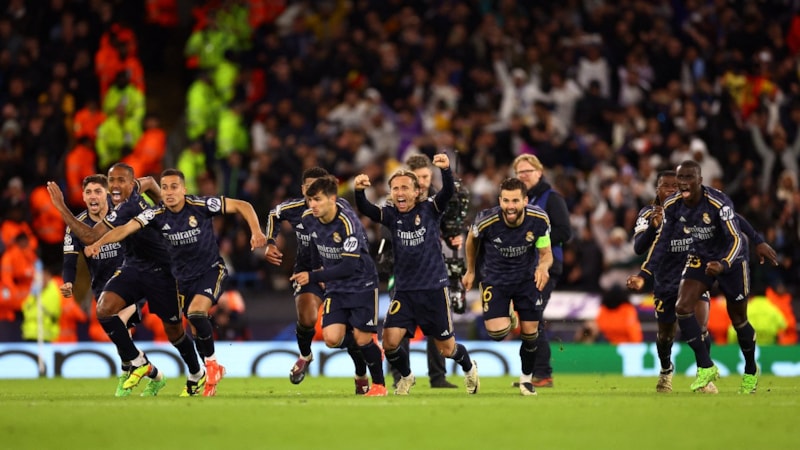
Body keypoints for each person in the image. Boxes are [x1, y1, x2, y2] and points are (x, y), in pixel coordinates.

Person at [85, 168, 267, 397]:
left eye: (174, 187)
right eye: (166, 187)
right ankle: (197, 374)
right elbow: (124, 229)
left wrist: (256, 232)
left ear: (184, 189)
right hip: (181, 279)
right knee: (191, 326)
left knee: (196, 314)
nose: (169, 192)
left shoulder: (200, 205)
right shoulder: (156, 214)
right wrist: (99, 243)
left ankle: (212, 366)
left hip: (210, 271)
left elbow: (243, 205)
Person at [47, 163, 200, 397]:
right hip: (131, 269)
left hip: (162, 271)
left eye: (99, 190)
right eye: (111, 182)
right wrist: (165, 204)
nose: (115, 186)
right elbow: (148, 180)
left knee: (174, 331)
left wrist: (61, 207)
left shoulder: (122, 210)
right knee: (106, 311)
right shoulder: (127, 193)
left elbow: (89, 235)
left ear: (127, 184)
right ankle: (142, 366)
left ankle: (195, 373)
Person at [628, 160, 776, 393]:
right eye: (669, 184)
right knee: (670, 327)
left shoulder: (716, 202)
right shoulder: (662, 211)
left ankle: (742, 370)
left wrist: (755, 241)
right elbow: (652, 244)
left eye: (678, 183)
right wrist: (644, 274)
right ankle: (679, 369)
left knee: (732, 321)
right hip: (677, 273)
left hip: (728, 260)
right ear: (657, 189)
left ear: (699, 181)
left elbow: (736, 227)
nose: (673, 188)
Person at [354, 153, 480, 395]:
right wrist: (360, 191)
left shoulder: (430, 208)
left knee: (447, 349)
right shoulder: (391, 215)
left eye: (404, 188)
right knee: (389, 343)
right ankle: (407, 376)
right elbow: (368, 209)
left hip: (433, 289)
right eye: (395, 188)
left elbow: (446, 193)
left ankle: (468, 366)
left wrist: (445, 170)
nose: (399, 193)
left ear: (416, 191)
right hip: (405, 291)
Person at [264, 167, 368, 391]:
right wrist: (270, 242)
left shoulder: (341, 212)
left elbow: (355, 246)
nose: (313, 195)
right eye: (309, 189)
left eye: (318, 189)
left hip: (339, 274)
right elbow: (274, 214)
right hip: (306, 272)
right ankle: (305, 355)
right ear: (303, 189)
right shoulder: (295, 209)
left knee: (346, 333)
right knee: (307, 317)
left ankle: (361, 373)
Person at [289, 175, 388, 397]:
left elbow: (349, 268)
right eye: (310, 200)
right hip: (336, 287)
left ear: (332, 199)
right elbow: (315, 244)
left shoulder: (348, 224)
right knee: (332, 339)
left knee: (362, 339)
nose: (312, 205)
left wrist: (313, 276)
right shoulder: (308, 218)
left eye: (317, 200)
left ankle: (379, 385)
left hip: (362, 283)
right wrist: (317, 269)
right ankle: (369, 347)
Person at [462, 177, 553, 396]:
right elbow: (471, 241)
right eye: (505, 201)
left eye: (515, 201)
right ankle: (509, 312)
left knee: (531, 333)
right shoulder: (486, 220)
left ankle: (526, 380)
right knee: (497, 333)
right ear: (500, 200)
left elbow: (546, 252)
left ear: (525, 200)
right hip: (495, 280)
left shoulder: (539, 219)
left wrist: (543, 268)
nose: (510, 206)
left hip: (526, 280)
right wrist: (471, 270)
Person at [60, 174, 143, 395]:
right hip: (102, 288)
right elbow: (69, 260)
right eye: (88, 192)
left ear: (106, 193)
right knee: (119, 333)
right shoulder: (76, 227)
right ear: (83, 197)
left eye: (98, 191)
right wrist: (68, 282)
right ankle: (133, 368)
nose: (93, 196)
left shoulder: (122, 215)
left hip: (130, 278)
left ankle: (141, 367)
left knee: (120, 322)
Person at [512, 154, 571, 388]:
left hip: (546, 265)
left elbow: (565, 232)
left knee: (532, 316)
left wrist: (533, 240)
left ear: (539, 172)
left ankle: (543, 373)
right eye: (519, 173)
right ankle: (538, 373)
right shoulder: (523, 198)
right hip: (525, 266)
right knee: (530, 316)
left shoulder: (551, 198)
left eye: (528, 171)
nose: (524, 175)